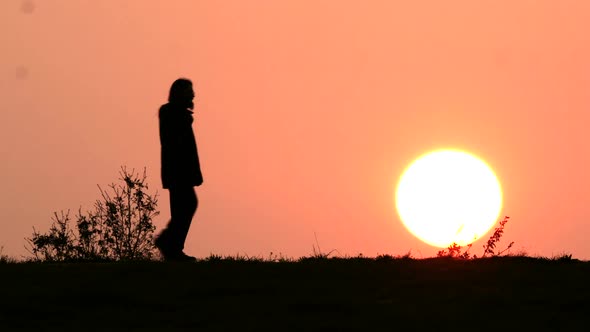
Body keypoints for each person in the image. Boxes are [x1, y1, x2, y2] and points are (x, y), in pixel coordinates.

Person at [154, 78, 203, 261]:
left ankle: (172, 248)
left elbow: (190, 148)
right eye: (189, 90)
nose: (193, 94)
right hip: (177, 170)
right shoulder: (169, 112)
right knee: (187, 205)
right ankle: (169, 243)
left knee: (184, 207)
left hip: (182, 170)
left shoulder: (179, 114)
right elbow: (178, 145)